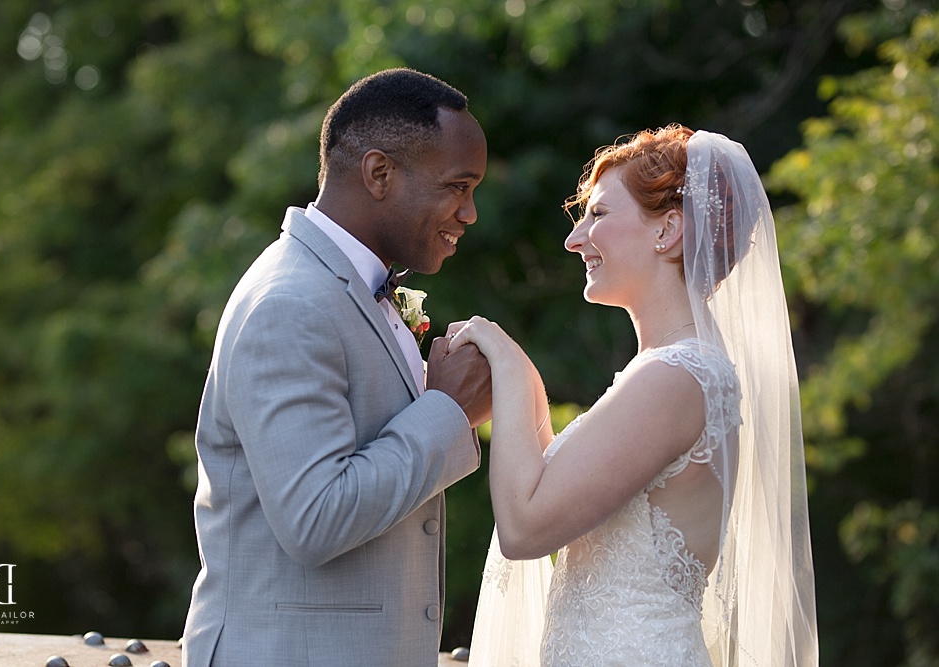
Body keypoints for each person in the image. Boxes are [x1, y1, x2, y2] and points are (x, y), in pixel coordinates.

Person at [452, 125, 819, 666]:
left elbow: (524, 527)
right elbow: (554, 494)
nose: (575, 239)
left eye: (598, 214)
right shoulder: (671, 371)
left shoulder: (676, 376)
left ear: (668, 229)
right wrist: (524, 378)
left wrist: (505, 363)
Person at [181, 68, 493, 667]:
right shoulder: (290, 304)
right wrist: (448, 411)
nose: (469, 213)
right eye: (457, 186)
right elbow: (316, 518)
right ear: (379, 173)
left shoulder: (347, 287)